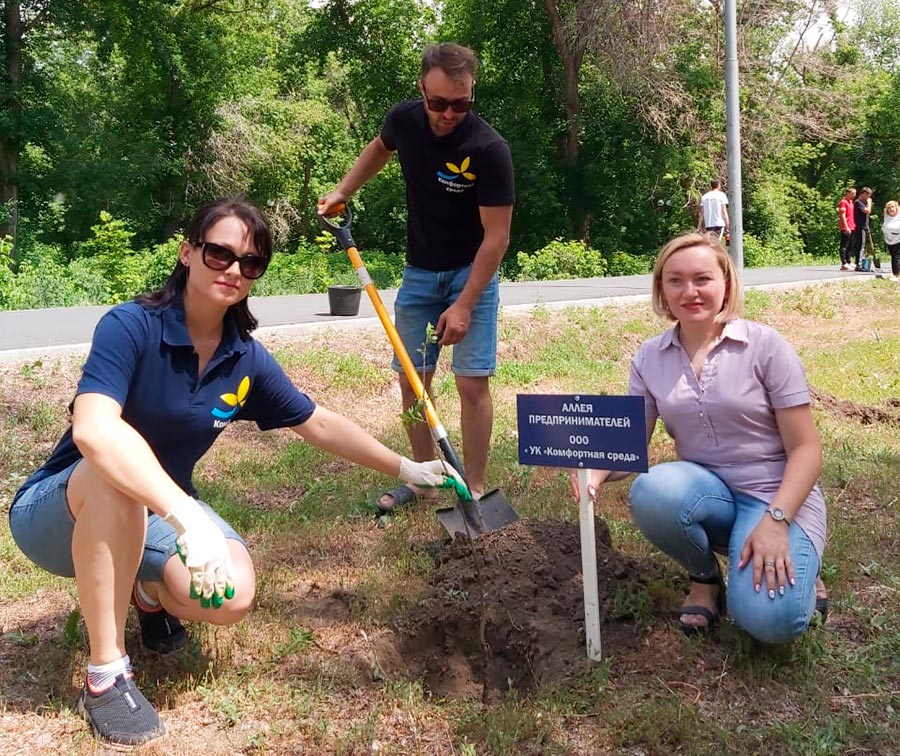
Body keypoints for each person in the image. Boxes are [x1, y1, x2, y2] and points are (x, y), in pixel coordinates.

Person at [7, 198, 462, 748]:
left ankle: (145, 593)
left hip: (152, 514)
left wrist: (405, 466)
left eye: (250, 263)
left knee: (232, 596)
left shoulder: (242, 357)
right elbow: (94, 432)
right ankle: (105, 676)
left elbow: (316, 422)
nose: (233, 270)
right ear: (188, 253)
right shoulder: (132, 327)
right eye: (220, 253)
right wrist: (187, 521)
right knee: (115, 473)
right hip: (59, 512)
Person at [570, 232, 828, 644]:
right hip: (706, 492)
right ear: (661, 291)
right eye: (675, 281)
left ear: (725, 283)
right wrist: (596, 473)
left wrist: (777, 522)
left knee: (770, 622)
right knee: (653, 489)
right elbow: (631, 443)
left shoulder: (765, 346)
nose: (689, 291)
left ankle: (805, 566)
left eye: (702, 279)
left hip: (776, 497)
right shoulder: (649, 357)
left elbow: (807, 449)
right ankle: (705, 579)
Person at [317, 43, 514, 512]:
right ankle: (427, 479)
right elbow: (380, 149)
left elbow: (497, 238)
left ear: (472, 93)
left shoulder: (488, 149)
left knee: (471, 383)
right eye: (438, 102)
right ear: (422, 90)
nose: (448, 113)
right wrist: (344, 189)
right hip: (420, 271)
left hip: (472, 271)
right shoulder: (404, 120)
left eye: (460, 103)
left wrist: (465, 303)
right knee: (413, 381)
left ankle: (478, 485)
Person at [852, 187, 873, 270]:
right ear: (864, 194)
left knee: (864, 246)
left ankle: (861, 262)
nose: (868, 198)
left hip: (864, 226)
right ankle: (858, 263)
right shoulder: (858, 202)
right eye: (868, 196)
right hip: (860, 227)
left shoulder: (861, 203)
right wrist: (869, 203)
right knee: (860, 245)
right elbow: (867, 211)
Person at [837, 187, 857, 271]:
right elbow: (842, 215)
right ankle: (844, 263)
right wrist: (846, 227)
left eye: (855, 193)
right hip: (846, 227)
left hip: (852, 226)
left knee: (850, 245)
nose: (854, 195)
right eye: (852, 193)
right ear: (847, 193)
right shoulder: (843, 202)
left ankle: (848, 261)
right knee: (844, 245)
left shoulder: (851, 202)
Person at [881, 200, 900, 282]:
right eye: (889, 208)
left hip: (898, 239)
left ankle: (896, 275)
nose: (891, 209)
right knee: (894, 256)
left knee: (896, 257)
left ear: (896, 208)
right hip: (889, 240)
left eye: (893, 207)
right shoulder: (886, 217)